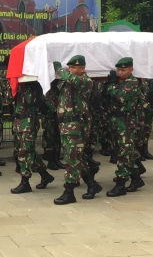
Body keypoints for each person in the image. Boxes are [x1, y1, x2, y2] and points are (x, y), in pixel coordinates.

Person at [53, 56, 101, 205]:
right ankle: (92, 185)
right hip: (66, 125)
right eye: (70, 67)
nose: (71, 70)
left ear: (82, 69)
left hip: (77, 125)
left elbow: (71, 78)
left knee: (72, 158)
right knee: (76, 157)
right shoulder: (67, 82)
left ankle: (69, 192)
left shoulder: (85, 81)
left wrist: (58, 69)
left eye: (74, 68)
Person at [104, 57, 147, 197]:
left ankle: (121, 184)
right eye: (118, 69)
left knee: (124, 153)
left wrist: (110, 85)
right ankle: (136, 178)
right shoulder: (120, 82)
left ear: (131, 69)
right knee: (123, 151)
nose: (120, 72)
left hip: (127, 122)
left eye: (123, 70)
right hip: (116, 120)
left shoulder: (133, 82)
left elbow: (119, 97)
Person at [10, 80, 55, 193]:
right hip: (18, 121)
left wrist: (26, 85)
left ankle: (25, 182)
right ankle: (45, 175)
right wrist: (13, 86)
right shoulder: (15, 85)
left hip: (28, 121)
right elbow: (7, 99)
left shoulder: (34, 86)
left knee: (24, 152)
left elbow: (31, 100)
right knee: (29, 152)